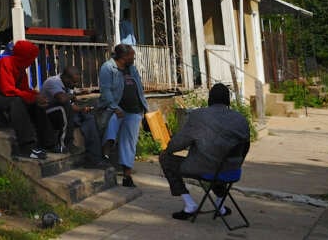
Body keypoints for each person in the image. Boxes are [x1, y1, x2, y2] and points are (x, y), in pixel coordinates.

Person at [162, 83, 249, 220]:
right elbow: (246, 146)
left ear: (210, 99)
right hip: (233, 170)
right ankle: (220, 206)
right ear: (228, 100)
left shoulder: (199, 116)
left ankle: (190, 205)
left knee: (165, 158)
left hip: (207, 169)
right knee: (216, 161)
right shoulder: (240, 119)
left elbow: (178, 143)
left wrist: (169, 149)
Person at [0, 39, 54, 160]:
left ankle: (48, 142)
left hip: (5, 94)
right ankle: (27, 146)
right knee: (16, 101)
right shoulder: (6, 63)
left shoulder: (21, 70)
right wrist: (32, 97)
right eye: (31, 57)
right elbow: (8, 91)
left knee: (35, 104)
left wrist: (36, 96)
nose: (32, 61)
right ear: (24, 57)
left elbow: (24, 89)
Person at [99, 43, 148, 187]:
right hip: (116, 108)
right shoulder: (108, 68)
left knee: (129, 144)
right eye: (131, 55)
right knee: (110, 132)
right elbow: (106, 90)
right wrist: (114, 107)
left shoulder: (131, 68)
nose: (133, 57)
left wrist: (144, 108)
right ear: (123, 57)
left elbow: (139, 88)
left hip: (134, 111)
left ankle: (127, 177)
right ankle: (105, 157)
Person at [40, 66, 104, 163]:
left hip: (65, 112)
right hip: (49, 114)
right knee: (64, 106)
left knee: (88, 118)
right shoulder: (52, 82)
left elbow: (71, 106)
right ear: (65, 78)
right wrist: (71, 96)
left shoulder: (68, 85)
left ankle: (94, 157)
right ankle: (66, 143)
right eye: (74, 82)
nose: (75, 85)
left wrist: (82, 109)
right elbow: (62, 99)